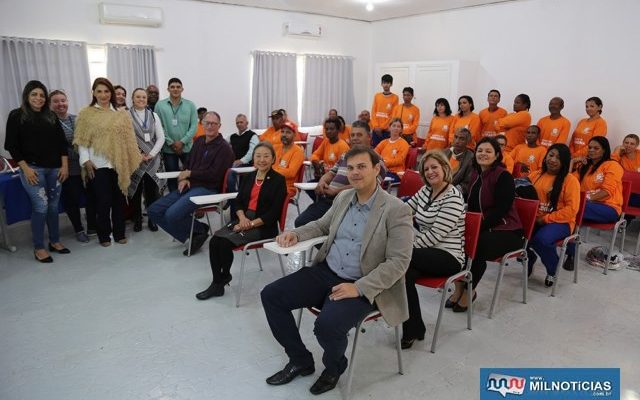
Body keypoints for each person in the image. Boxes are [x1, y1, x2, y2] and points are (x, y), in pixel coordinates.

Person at [261, 146, 413, 395]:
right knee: (271, 295)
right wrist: (295, 233)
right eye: (350, 168)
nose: (355, 173)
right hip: (327, 272)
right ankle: (300, 359)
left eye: (362, 166)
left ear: (377, 169)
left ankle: (334, 366)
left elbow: (399, 261)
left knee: (327, 326)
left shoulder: (396, 210)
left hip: (364, 283)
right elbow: (322, 226)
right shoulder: (343, 198)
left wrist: (359, 287)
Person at [196, 142, 287, 299]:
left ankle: (221, 281)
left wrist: (249, 224)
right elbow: (238, 202)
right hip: (244, 219)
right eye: (258, 156)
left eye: (266, 156)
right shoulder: (249, 177)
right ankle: (219, 281)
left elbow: (273, 214)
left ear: (273, 159)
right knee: (214, 241)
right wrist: (243, 218)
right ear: (253, 158)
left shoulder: (278, 180)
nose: (262, 159)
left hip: (263, 225)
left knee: (224, 243)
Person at [447, 137, 524, 312]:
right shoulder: (475, 174)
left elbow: (501, 211)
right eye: (480, 150)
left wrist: (476, 228)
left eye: (488, 151)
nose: (483, 154)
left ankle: (469, 291)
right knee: (454, 239)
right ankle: (459, 286)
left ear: (497, 155)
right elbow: (471, 204)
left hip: (508, 231)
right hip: (485, 227)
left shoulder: (503, 176)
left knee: (477, 244)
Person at [402, 150, 465, 349]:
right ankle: (414, 328)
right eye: (426, 169)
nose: (430, 172)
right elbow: (404, 211)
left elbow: (436, 235)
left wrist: (404, 249)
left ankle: (408, 325)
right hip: (425, 253)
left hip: (449, 256)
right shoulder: (425, 191)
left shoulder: (453, 196)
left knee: (400, 259)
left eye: (434, 167)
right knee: (402, 274)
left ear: (445, 168)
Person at [147, 111, 234, 256]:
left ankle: (197, 232)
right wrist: (185, 177)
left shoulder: (224, 148)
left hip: (209, 189)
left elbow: (215, 175)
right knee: (154, 210)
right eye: (207, 123)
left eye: (214, 123)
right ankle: (198, 231)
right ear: (202, 124)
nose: (210, 126)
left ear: (220, 126)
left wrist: (190, 174)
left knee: (171, 215)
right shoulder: (199, 141)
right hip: (191, 185)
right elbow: (188, 163)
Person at [4, 80, 70, 262]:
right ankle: (39, 247)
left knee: (54, 206)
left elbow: (62, 144)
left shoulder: (51, 116)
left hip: (55, 169)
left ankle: (55, 241)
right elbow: (11, 145)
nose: (38, 98)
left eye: (42, 95)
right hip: (33, 169)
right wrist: (25, 169)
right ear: (27, 96)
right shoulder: (17, 115)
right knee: (40, 207)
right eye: (34, 94)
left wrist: (64, 166)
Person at [73, 77, 142, 247]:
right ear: (94, 93)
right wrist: (86, 160)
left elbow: (129, 140)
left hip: (119, 163)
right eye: (99, 91)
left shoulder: (121, 114)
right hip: (97, 164)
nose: (103, 95)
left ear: (111, 93)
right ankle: (104, 235)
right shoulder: (86, 114)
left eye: (106, 91)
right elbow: (81, 141)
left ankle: (119, 233)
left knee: (119, 201)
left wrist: (129, 160)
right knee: (102, 202)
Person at [294, 121, 386, 227]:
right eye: (352, 135)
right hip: (329, 200)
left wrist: (336, 191)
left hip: (351, 204)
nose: (355, 138)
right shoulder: (345, 155)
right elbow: (331, 173)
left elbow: (368, 187)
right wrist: (322, 181)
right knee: (300, 222)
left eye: (359, 135)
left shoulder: (377, 161)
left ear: (369, 137)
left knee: (320, 228)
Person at [564, 136, 623, 271]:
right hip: (587, 206)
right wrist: (572, 162)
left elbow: (606, 192)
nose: (591, 150)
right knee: (571, 211)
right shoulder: (585, 167)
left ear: (604, 150)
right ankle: (570, 253)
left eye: (596, 148)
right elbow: (567, 182)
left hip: (609, 208)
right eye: (589, 147)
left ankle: (569, 253)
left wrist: (584, 200)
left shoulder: (612, 165)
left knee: (573, 208)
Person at [527, 144, 580, 287]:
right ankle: (529, 258)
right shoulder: (535, 175)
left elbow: (571, 210)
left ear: (565, 161)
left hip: (561, 222)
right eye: (551, 155)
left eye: (558, 157)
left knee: (541, 240)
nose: (553, 159)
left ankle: (552, 269)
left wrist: (545, 219)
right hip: (534, 219)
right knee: (514, 235)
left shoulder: (570, 180)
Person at [49, 89, 95, 243]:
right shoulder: (48, 122)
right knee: (72, 199)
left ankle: (92, 226)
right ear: (50, 104)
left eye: (63, 100)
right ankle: (78, 229)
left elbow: (87, 140)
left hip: (84, 165)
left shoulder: (77, 119)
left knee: (90, 196)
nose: (60, 104)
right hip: (65, 167)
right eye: (56, 101)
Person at [127, 88, 165, 232]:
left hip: (152, 160)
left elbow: (161, 137)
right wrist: (137, 155)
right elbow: (125, 139)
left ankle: (152, 220)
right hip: (134, 160)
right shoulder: (126, 116)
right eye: (138, 97)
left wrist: (152, 154)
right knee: (135, 191)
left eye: (143, 97)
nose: (141, 99)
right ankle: (137, 219)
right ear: (132, 98)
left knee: (152, 193)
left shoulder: (154, 115)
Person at [154, 78, 198, 192]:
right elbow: (159, 126)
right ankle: (173, 200)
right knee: (172, 177)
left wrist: (182, 142)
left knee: (189, 175)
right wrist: (171, 142)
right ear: (168, 89)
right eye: (172, 87)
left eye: (178, 87)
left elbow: (194, 126)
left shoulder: (190, 105)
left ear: (182, 89)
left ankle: (188, 199)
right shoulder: (160, 105)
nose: (175, 89)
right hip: (169, 149)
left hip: (187, 148)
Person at [226, 113, 259, 196]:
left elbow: (252, 152)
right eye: (237, 123)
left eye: (241, 122)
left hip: (247, 164)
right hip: (235, 163)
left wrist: (241, 160)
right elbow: (223, 145)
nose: (239, 124)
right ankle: (229, 195)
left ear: (247, 123)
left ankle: (232, 198)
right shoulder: (232, 136)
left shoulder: (252, 135)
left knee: (230, 172)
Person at [310, 118, 349, 183]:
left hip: (336, 180)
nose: (328, 131)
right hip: (324, 177)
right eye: (327, 129)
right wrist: (316, 163)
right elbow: (315, 155)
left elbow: (341, 170)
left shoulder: (343, 146)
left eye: (331, 129)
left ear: (338, 130)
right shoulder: (326, 142)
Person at [273, 121, 304, 198]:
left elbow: (290, 173)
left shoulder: (298, 151)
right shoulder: (275, 148)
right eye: (282, 132)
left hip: (287, 187)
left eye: (288, 132)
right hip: (271, 183)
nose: (284, 135)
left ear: (294, 135)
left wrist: (271, 171)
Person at [375, 118, 410, 183]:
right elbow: (374, 153)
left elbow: (399, 160)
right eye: (394, 126)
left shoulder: (404, 143)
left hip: (395, 173)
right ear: (389, 128)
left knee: (373, 179)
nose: (396, 128)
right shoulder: (384, 142)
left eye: (398, 126)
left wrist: (383, 163)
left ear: (401, 130)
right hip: (382, 170)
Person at [443, 128, 475, 198]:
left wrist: (449, 192)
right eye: (456, 137)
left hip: (454, 195)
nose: (457, 141)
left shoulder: (471, 159)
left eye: (462, 139)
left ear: (468, 141)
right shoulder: (444, 153)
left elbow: (467, 184)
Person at [370, 74, 399, 147]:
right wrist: (376, 127)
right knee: (375, 150)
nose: (386, 85)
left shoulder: (395, 97)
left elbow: (393, 115)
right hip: (376, 130)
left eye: (388, 83)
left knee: (385, 149)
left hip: (386, 130)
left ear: (391, 84)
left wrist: (382, 128)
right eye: (384, 83)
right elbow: (373, 112)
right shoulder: (377, 96)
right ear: (381, 84)